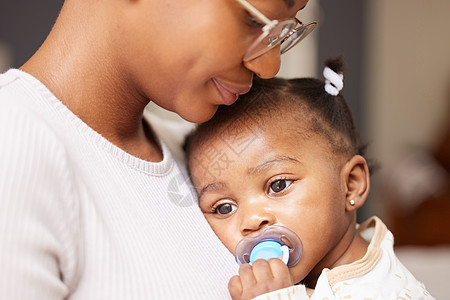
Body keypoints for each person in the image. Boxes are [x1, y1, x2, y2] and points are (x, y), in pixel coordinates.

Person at [0, 0, 316, 299]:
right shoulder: (15, 145)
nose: (269, 66)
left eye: (282, 31)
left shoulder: (203, 158)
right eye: (254, 20)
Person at [185, 57, 435, 299]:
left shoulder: (376, 291)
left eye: (278, 185)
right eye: (224, 207)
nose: (251, 220)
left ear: (350, 186)